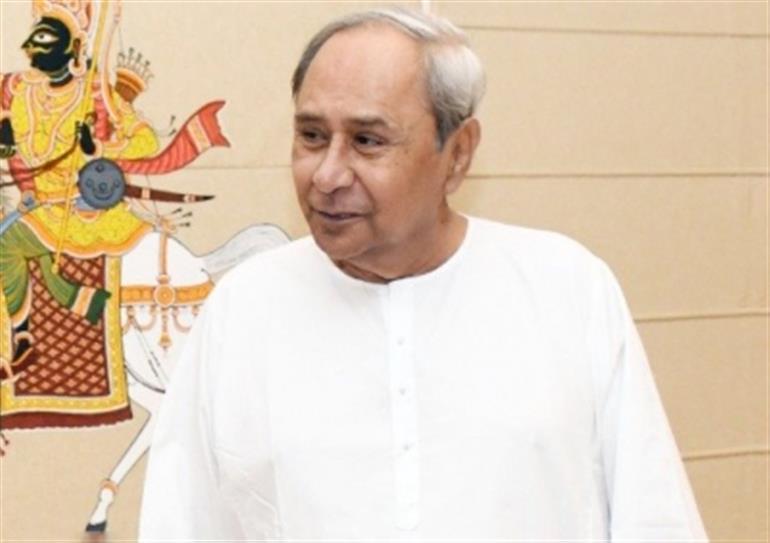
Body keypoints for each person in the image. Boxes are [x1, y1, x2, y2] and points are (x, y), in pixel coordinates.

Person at [139, 8, 708, 541]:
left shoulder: (568, 289)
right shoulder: (244, 307)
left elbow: (655, 520)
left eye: (367, 141)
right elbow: (179, 521)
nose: (328, 175)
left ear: (457, 153)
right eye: (312, 136)